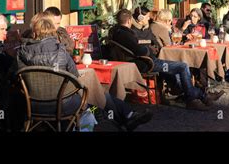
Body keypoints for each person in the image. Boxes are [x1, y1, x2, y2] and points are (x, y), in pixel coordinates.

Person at [18, 13, 152, 131]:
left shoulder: (21, 53)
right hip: (63, 105)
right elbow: (74, 75)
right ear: (53, 32)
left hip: (32, 105)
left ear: (34, 33)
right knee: (91, 101)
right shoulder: (61, 52)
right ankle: (122, 117)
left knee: (97, 97)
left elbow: (16, 77)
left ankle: (125, 117)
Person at [109, 9, 224, 111]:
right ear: (129, 21)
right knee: (183, 66)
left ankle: (200, 96)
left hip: (142, 62)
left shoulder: (117, 32)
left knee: (177, 71)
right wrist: (148, 49)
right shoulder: (125, 34)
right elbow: (141, 51)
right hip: (147, 63)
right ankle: (195, 98)